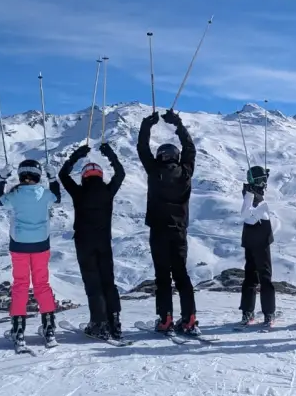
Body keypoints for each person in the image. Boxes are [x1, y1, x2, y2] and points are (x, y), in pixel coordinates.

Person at [137, 109, 198, 334]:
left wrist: (147, 125)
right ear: (176, 156)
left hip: (159, 231)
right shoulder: (185, 172)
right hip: (179, 231)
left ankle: (165, 319)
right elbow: (191, 149)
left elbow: (142, 148)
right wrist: (178, 124)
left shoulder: (154, 171)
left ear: (160, 156)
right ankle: (189, 318)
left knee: (162, 276)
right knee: (181, 274)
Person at [59, 141, 126, 340]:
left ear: (84, 176)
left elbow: (63, 175)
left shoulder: (79, 192)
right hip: (104, 243)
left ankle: (99, 324)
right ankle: (115, 323)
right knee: (108, 282)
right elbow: (120, 173)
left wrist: (76, 155)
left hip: (84, 243)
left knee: (93, 283)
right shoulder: (108, 191)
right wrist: (110, 154)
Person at [0, 159, 62, 348]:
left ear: (21, 175)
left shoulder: (14, 195)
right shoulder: (44, 193)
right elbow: (57, 198)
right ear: (38, 175)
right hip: (41, 244)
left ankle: (18, 331)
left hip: (19, 244)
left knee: (20, 285)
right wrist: (53, 178)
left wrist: (1, 179)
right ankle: (49, 329)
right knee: (42, 284)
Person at [239, 165, 277, 327]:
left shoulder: (250, 191)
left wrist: (263, 176)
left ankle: (247, 312)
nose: (264, 183)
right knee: (265, 277)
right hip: (261, 241)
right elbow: (246, 213)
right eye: (262, 180)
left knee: (250, 276)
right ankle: (269, 313)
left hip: (250, 239)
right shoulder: (251, 195)